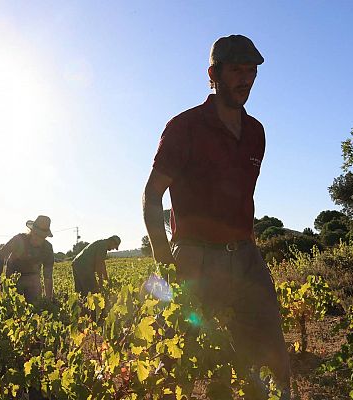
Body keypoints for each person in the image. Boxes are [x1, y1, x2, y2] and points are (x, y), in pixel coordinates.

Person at [142, 35, 290, 397]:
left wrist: (248, 249)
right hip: (196, 257)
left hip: (245, 254)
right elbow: (152, 196)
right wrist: (166, 260)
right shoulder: (184, 127)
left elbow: (240, 196)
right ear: (214, 73)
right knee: (199, 354)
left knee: (270, 340)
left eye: (251, 71)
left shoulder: (256, 132)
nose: (246, 79)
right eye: (237, 70)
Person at [0, 215, 54, 303]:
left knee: (36, 307)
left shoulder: (47, 248)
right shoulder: (19, 240)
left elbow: (48, 276)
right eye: (36, 234)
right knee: (12, 305)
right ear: (32, 231)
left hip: (33, 279)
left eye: (42, 236)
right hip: (13, 277)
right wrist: (0, 280)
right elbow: (1, 254)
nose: (38, 238)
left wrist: (48, 299)